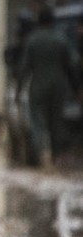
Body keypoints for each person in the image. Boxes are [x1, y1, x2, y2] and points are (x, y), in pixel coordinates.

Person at [16, 6, 82, 169]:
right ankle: (56, 156)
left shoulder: (32, 40)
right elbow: (72, 66)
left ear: (39, 22)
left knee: (38, 122)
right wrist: (76, 89)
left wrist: (19, 90)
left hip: (38, 86)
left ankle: (45, 155)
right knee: (55, 122)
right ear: (52, 22)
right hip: (59, 87)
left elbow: (24, 68)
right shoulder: (61, 40)